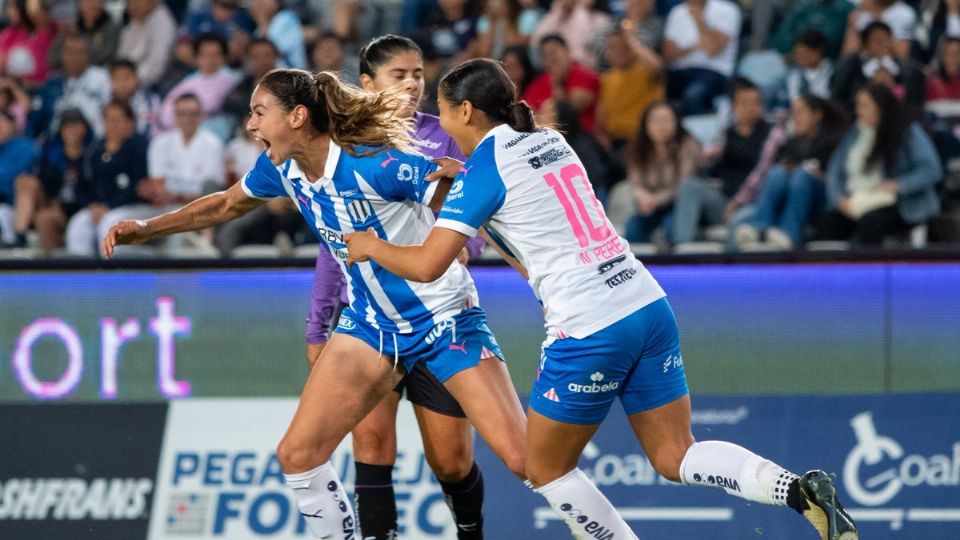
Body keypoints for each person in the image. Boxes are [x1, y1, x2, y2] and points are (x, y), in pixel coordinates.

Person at [343, 57, 859, 540]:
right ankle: (795, 488)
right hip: (645, 303)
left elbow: (430, 264)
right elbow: (525, 215)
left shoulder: (483, 172)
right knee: (676, 454)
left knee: (544, 468)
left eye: (441, 105)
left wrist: (369, 245)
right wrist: (468, 185)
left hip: (590, 325)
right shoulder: (549, 141)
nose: (437, 116)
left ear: (465, 111)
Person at [101, 67, 527, 539]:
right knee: (300, 454)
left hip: (442, 319)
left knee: (476, 461)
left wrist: (529, 267)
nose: (250, 126)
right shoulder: (280, 167)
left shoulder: (374, 162)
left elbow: (469, 197)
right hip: (370, 325)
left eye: (260, 112)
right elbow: (224, 205)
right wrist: (148, 228)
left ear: (298, 116)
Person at [304, 34, 488, 540]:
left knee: (451, 462)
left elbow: (477, 212)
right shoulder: (341, 147)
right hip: (368, 320)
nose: (412, 84)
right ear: (366, 84)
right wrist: (319, 322)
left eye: (418, 75)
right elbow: (333, 242)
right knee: (372, 445)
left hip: (437, 315)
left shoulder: (448, 132)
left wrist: (464, 246)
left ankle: (471, 531)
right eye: (398, 75)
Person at [816, 83, 942, 246]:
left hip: (898, 204)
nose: (858, 111)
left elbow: (931, 169)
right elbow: (835, 171)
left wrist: (898, 185)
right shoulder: (854, 133)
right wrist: (839, 199)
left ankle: (867, 269)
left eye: (864, 105)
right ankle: (826, 269)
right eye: (857, 105)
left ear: (881, 107)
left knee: (871, 221)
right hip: (855, 200)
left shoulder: (907, 132)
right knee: (827, 224)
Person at [732, 94, 845, 250]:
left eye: (801, 112)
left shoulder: (832, 142)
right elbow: (782, 168)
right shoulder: (791, 143)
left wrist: (810, 173)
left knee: (803, 175)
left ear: (817, 115)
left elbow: (836, 180)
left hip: (820, 204)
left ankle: (789, 233)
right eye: (793, 113)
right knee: (777, 172)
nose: (795, 118)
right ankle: (758, 227)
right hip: (787, 200)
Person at [623, 101, 700, 243]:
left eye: (666, 120)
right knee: (633, 226)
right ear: (645, 124)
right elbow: (635, 181)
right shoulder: (637, 148)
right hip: (649, 207)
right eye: (656, 121)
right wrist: (642, 196)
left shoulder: (688, 146)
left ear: (677, 122)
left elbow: (685, 184)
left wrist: (656, 200)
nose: (661, 126)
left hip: (679, 206)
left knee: (671, 227)